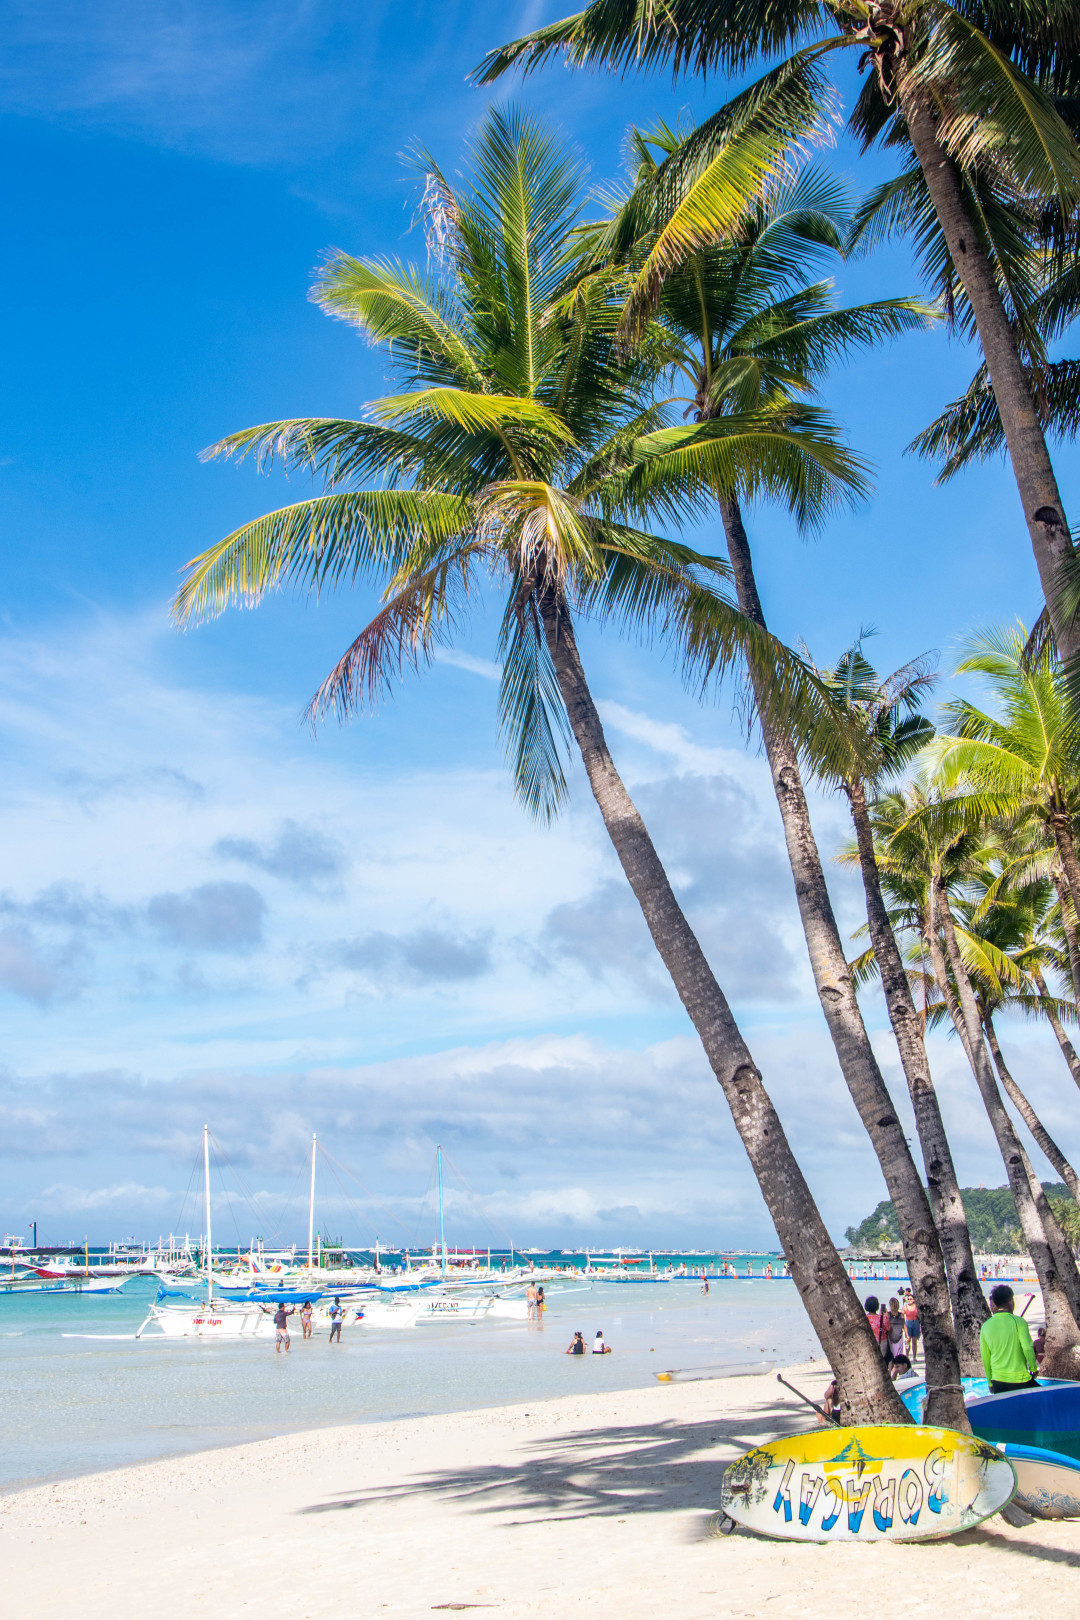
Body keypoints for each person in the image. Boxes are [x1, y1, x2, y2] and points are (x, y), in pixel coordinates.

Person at [979, 1284, 1039, 1392]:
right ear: (1011, 1301)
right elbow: (1027, 1347)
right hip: (1019, 1380)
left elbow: (985, 1357)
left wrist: (990, 1382)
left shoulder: (985, 1326)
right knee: (1044, 1400)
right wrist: (1034, 1369)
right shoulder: (1019, 1322)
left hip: (997, 1381)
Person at [864, 1296, 892, 1362]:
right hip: (882, 1342)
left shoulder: (864, 1319)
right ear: (877, 1306)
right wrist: (886, 1316)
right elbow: (889, 1329)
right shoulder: (882, 1318)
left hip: (868, 1342)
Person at [902, 1291, 921, 1362]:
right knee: (908, 1341)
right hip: (908, 1324)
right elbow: (901, 1316)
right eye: (908, 1299)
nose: (909, 1300)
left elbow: (920, 1317)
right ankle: (907, 1356)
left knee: (914, 1342)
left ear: (914, 1300)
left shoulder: (917, 1307)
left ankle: (914, 1357)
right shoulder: (905, 1307)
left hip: (916, 1323)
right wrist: (903, 1325)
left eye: (911, 1299)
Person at [887, 1297, 905, 1361]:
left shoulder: (888, 1315)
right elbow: (904, 1326)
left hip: (890, 1337)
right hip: (898, 1337)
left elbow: (885, 1326)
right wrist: (907, 1336)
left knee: (891, 1357)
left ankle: (892, 1370)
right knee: (898, 1356)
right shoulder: (901, 1315)